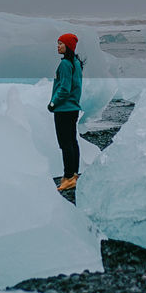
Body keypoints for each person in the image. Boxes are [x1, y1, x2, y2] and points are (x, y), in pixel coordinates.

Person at [48, 32, 84, 192]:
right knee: (72, 142)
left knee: (65, 144)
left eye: (61, 43)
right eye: (58, 43)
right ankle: (73, 174)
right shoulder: (75, 63)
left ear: (68, 46)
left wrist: (53, 102)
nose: (58, 46)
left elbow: (64, 88)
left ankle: (68, 177)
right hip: (73, 108)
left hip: (63, 109)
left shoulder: (65, 64)